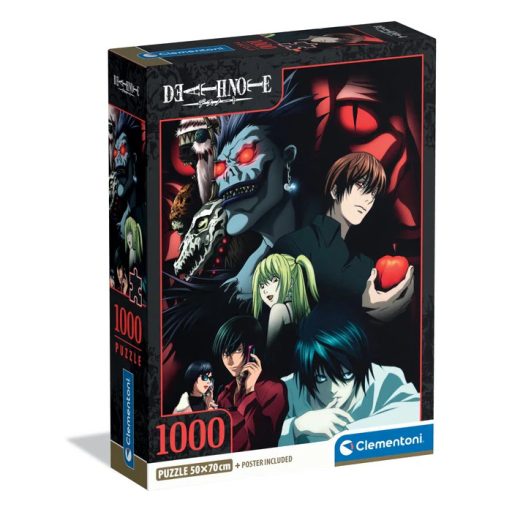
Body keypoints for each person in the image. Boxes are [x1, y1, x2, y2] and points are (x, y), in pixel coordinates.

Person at [272, 152, 414, 322]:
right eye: (361, 185)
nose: (368, 199)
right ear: (335, 190)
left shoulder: (365, 264)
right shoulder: (293, 246)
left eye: (373, 192)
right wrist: (364, 308)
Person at [279, 302, 419, 446]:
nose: (333, 390)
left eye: (346, 376)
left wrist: (350, 432)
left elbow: (416, 412)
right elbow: (264, 437)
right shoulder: (287, 390)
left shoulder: (384, 379)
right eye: (320, 378)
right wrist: (296, 426)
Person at [212, 316, 288, 451]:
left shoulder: (273, 389)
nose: (229, 361)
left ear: (251, 351)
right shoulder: (225, 394)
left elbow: (264, 443)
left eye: (237, 350)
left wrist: (250, 392)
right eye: (225, 352)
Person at [251, 253, 319, 376]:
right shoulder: (305, 314)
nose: (266, 289)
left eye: (274, 280)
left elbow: (268, 356)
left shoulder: (278, 310)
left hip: (280, 376)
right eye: (262, 285)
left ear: (291, 281)